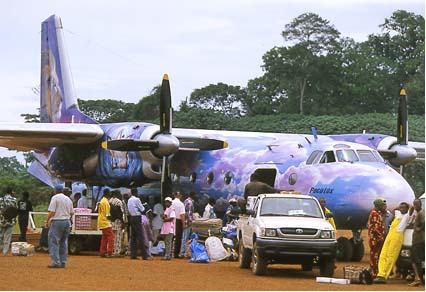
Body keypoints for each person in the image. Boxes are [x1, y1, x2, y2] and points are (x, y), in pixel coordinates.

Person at [374, 202, 413, 283]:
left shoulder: (407, 216)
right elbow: (394, 209)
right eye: (400, 207)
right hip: (390, 234)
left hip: (397, 236)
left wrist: (408, 207)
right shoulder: (398, 214)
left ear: (407, 209)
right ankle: (380, 273)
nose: (401, 209)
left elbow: (412, 208)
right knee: (383, 254)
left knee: (391, 255)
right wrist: (398, 207)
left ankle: (384, 275)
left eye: (403, 208)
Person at [45, 185, 73, 268]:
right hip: (67, 221)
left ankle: (56, 262)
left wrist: (47, 221)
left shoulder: (55, 198)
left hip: (57, 221)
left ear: (55, 191)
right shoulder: (68, 199)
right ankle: (63, 262)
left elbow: (52, 212)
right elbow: (72, 213)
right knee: (63, 242)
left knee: (54, 241)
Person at [127, 188, 152, 260]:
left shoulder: (129, 200)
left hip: (131, 218)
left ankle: (133, 255)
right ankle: (145, 255)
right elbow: (142, 209)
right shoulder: (137, 199)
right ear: (136, 192)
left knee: (133, 237)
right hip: (137, 218)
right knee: (141, 237)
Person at [367, 197, 386, 278]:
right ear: (379, 205)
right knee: (375, 256)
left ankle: (374, 271)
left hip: (376, 238)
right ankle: (374, 273)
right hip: (376, 239)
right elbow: (375, 228)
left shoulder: (377, 212)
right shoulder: (375, 213)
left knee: (375, 255)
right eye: (383, 205)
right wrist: (380, 237)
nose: (384, 206)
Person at [408, 198, 425, 287]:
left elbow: (424, 223)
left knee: (414, 260)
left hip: (418, 240)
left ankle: (417, 278)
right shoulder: (419, 213)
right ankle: (420, 279)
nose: (414, 206)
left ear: (420, 205)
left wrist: (419, 229)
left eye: (416, 205)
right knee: (419, 260)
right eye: (414, 205)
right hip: (420, 240)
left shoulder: (421, 213)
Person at [0, 187, 18, 256]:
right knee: (8, 237)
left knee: (0, 235)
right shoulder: (14, 200)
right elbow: (16, 210)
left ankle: (0, 248)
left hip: (2, 220)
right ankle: (5, 252)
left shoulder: (1, 199)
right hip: (11, 220)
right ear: (11, 192)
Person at [179, 191, 196, 258]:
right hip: (188, 222)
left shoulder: (186, 201)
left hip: (186, 221)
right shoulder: (189, 202)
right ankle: (182, 252)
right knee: (185, 237)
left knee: (185, 237)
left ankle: (184, 252)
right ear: (193, 195)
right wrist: (190, 221)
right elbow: (188, 213)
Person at [98, 188, 114, 258]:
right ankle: (110, 252)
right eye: (110, 193)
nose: (110, 194)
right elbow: (108, 215)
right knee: (111, 237)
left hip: (101, 221)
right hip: (105, 221)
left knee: (104, 237)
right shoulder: (106, 202)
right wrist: (112, 219)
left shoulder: (102, 200)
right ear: (107, 193)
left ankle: (102, 252)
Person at [109, 190, 125, 257]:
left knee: (111, 237)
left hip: (110, 221)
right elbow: (121, 212)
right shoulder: (119, 201)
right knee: (118, 237)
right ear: (116, 194)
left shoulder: (109, 201)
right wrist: (123, 222)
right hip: (118, 221)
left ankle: (110, 251)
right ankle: (117, 252)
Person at [172, 192, 185, 259]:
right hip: (178, 221)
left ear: (174, 195)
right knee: (178, 238)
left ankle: (168, 252)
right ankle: (176, 254)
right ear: (180, 196)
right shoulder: (181, 204)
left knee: (171, 236)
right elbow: (182, 215)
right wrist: (183, 224)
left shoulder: (171, 202)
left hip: (171, 220)